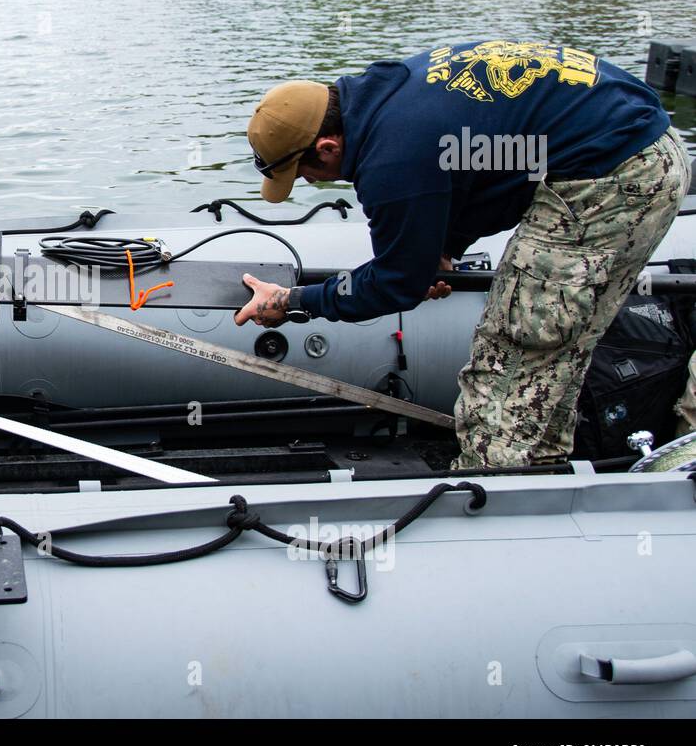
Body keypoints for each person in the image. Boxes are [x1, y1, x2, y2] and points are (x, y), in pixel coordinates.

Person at [235, 40, 689, 469]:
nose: (311, 184)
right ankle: (542, 471)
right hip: (640, 142)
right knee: (555, 352)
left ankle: (490, 488)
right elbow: (486, 172)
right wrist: (443, 248)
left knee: (515, 348)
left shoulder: (390, 161)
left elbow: (395, 284)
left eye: (305, 172)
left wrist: (292, 301)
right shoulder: (391, 90)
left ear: (327, 147)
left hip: (613, 173)